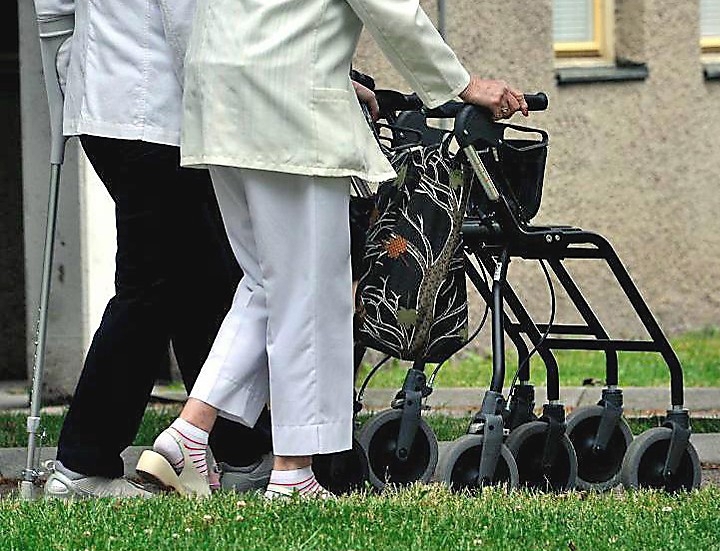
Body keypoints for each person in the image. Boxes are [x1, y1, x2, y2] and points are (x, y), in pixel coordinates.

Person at [135, 0, 529, 498]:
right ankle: (293, 471)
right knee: (310, 292)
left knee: (266, 283)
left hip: (220, 95)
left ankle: (188, 434)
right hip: (287, 106)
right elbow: (391, 9)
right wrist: (463, 85)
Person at [32, 0, 289, 498]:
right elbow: (191, 23)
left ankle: (240, 448)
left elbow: (54, 13)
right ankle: (81, 466)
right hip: (155, 115)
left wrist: (73, 76)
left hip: (112, 106)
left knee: (202, 279)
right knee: (154, 286)